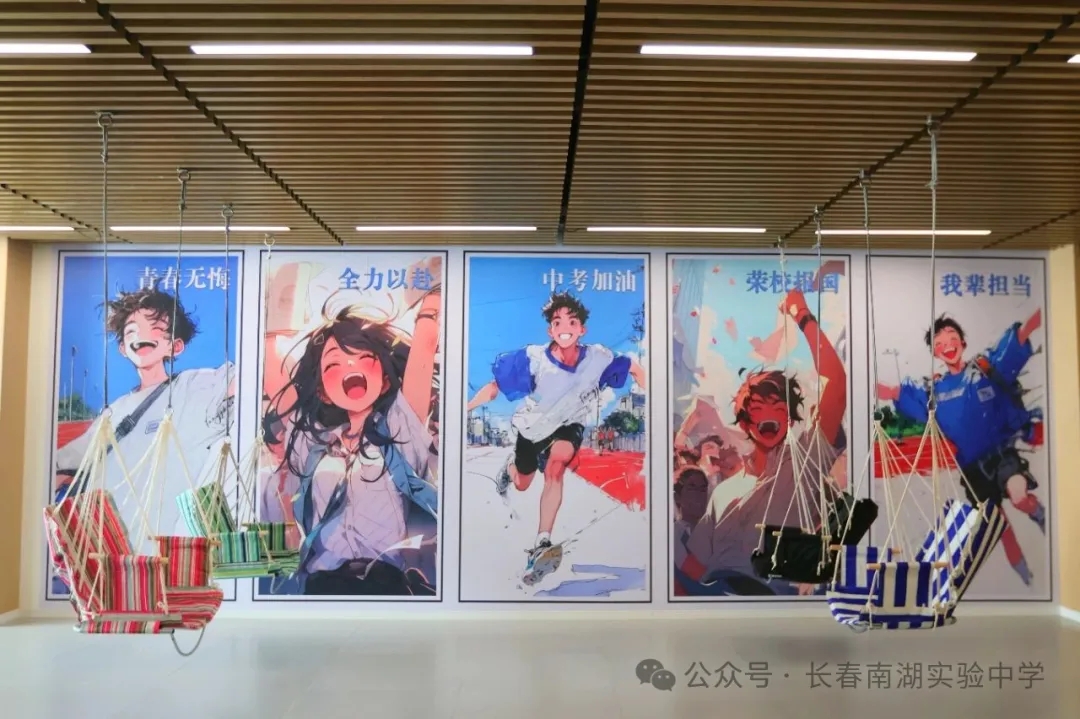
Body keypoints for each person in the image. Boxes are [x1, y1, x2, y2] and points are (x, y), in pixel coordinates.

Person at [262, 280, 442, 596]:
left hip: (387, 586)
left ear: (384, 380)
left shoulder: (399, 431)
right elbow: (280, 391)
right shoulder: (314, 446)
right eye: (334, 363)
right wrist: (274, 317)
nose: (349, 367)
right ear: (323, 391)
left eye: (364, 358)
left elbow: (424, 348)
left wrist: (432, 294)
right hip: (321, 586)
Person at [467, 291, 646, 585]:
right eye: (557, 322)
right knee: (522, 483)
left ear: (581, 329)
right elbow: (495, 387)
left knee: (556, 467)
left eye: (572, 321)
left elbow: (634, 368)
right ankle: (511, 469)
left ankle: (542, 542)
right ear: (550, 330)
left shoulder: (598, 357)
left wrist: (656, 394)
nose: (565, 327)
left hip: (568, 425)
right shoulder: (534, 359)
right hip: (532, 429)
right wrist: (465, 407)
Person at [675, 287, 846, 596]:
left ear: (790, 419)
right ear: (744, 421)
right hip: (718, 600)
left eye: (778, 408)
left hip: (771, 600)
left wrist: (802, 314)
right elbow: (698, 568)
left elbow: (836, 384)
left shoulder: (801, 467)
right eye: (757, 409)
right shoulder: (723, 493)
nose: (768, 417)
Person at [877, 311, 1045, 586]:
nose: (947, 347)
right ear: (935, 353)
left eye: (952, 339)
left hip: (1001, 455)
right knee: (999, 527)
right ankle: (1028, 578)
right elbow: (898, 392)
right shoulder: (935, 390)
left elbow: (1016, 339)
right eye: (940, 345)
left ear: (963, 342)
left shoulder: (984, 369)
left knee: (1018, 495)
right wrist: (872, 387)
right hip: (971, 469)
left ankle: (1037, 512)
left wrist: (1035, 322)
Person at [54, 286, 234, 539]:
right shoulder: (113, 412)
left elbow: (240, 381)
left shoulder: (190, 387)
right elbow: (68, 460)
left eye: (156, 328)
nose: (142, 336)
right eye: (131, 330)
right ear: (122, 347)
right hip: (107, 547)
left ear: (175, 346)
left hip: (161, 547)